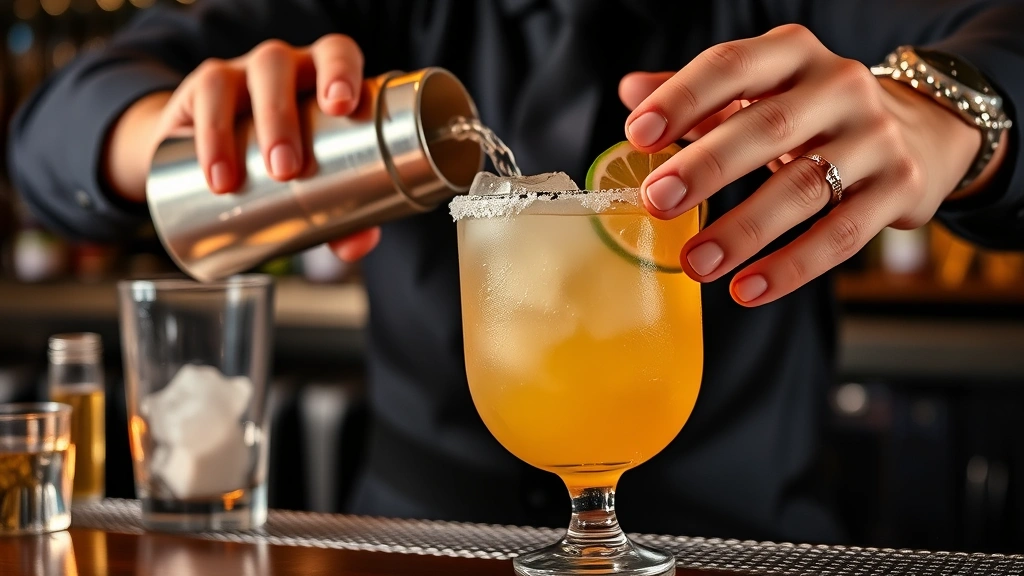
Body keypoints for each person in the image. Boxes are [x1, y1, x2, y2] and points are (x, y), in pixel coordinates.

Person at [9, 0, 1023, 543]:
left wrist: (951, 115)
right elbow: (56, 127)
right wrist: (184, 137)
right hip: (413, 550)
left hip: (748, 545)